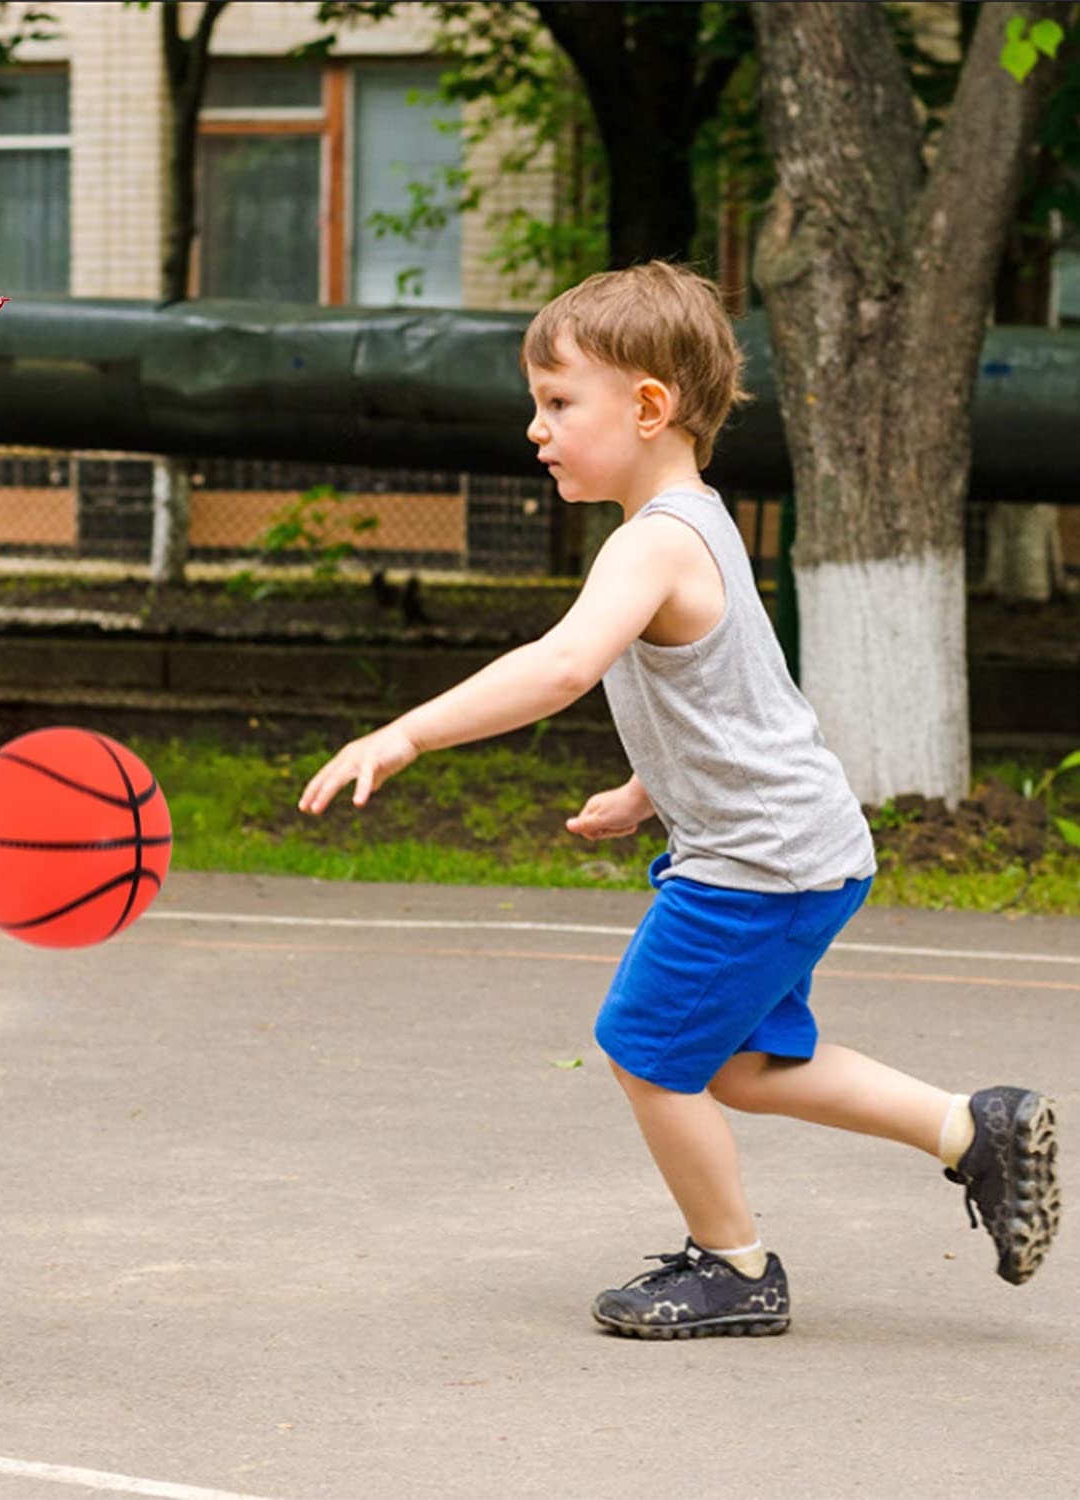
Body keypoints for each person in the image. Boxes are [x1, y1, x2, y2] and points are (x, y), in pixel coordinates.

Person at [298, 260, 1060, 1339]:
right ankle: (972, 1130)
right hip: (799, 848)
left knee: (646, 1050)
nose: (536, 427)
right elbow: (729, 701)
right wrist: (645, 789)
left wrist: (410, 729)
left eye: (559, 403)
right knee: (744, 1068)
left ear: (648, 407)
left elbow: (562, 667)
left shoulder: (652, 540)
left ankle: (734, 1268)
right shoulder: (697, 522)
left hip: (758, 863)